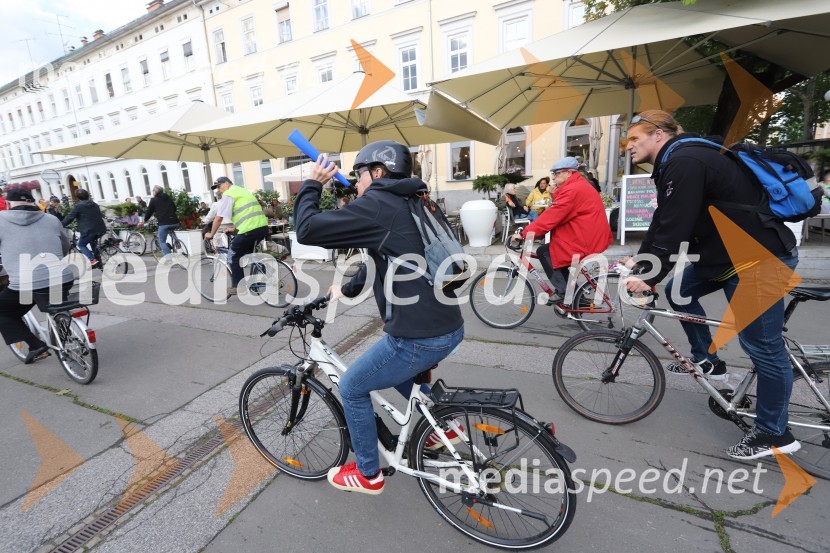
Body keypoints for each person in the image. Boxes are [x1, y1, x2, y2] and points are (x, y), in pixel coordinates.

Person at [622, 109, 800, 460]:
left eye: (633, 138)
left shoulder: (686, 160)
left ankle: (774, 433)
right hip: (726, 257)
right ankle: (709, 361)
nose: (627, 146)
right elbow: (664, 219)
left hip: (758, 259)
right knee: (678, 291)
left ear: (658, 134)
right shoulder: (679, 159)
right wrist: (643, 264)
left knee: (762, 346)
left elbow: (677, 226)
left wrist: (648, 276)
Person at [294, 141, 464, 495]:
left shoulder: (377, 204)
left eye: (359, 174)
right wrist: (347, 289)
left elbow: (307, 230)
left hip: (418, 334)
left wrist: (313, 183)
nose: (356, 183)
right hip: (447, 323)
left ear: (378, 172)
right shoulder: (414, 199)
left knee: (353, 385)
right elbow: (387, 254)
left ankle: (368, 473)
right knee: (399, 373)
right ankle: (444, 426)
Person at [511, 156, 612, 304]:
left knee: (544, 252)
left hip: (584, 237)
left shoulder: (572, 190)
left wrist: (524, 234)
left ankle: (565, 293)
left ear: (569, 173)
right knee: (555, 254)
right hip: (585, 233)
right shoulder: (576, 185)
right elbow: (562, 208)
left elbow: (552, 216)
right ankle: (576, 297)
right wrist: (554, 193)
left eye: (557, 173)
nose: (553, 177)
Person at [0, 186, 74, 363]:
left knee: (4, 311)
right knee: (55, 306)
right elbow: (65, 245)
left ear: (9, 204)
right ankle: (66, 331)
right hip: (62, 278)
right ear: (33, 201)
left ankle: (35, 345)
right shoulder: (51, 219)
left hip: (25, 284)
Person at [204, 177, 269, 294]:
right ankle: (260, 279)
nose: (218, 190)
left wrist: (211, 234)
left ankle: (238, 286)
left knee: (233, 256)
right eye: (216, 188)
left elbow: (218, 218)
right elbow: (247, 213)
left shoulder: (229, 194)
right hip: (262, 227)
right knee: (250, 254)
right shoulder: (242, 191)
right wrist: (235, 228)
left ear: (227, 183)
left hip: (249, 230)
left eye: (219, 186)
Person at [62, 189, 107, 267]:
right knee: (93, 243)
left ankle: (92, 260)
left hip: (89, 230)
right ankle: (98, 262)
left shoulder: (79, 206)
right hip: (100, 228)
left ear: (78, 197)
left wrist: (61, 224)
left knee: (81, 244)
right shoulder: (94, 204)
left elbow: (70, 217)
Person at [141, 186, 180, 262]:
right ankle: (176, 241)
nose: (152, 193)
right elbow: (174, 208)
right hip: (175, 221)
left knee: (162, 241)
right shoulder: (168, 198)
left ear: (155, 192)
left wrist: (145, 220)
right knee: (170, 229)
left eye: (153, 191)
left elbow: (149, 211)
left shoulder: (153, 200)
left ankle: (168, 259)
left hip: (164, 222)